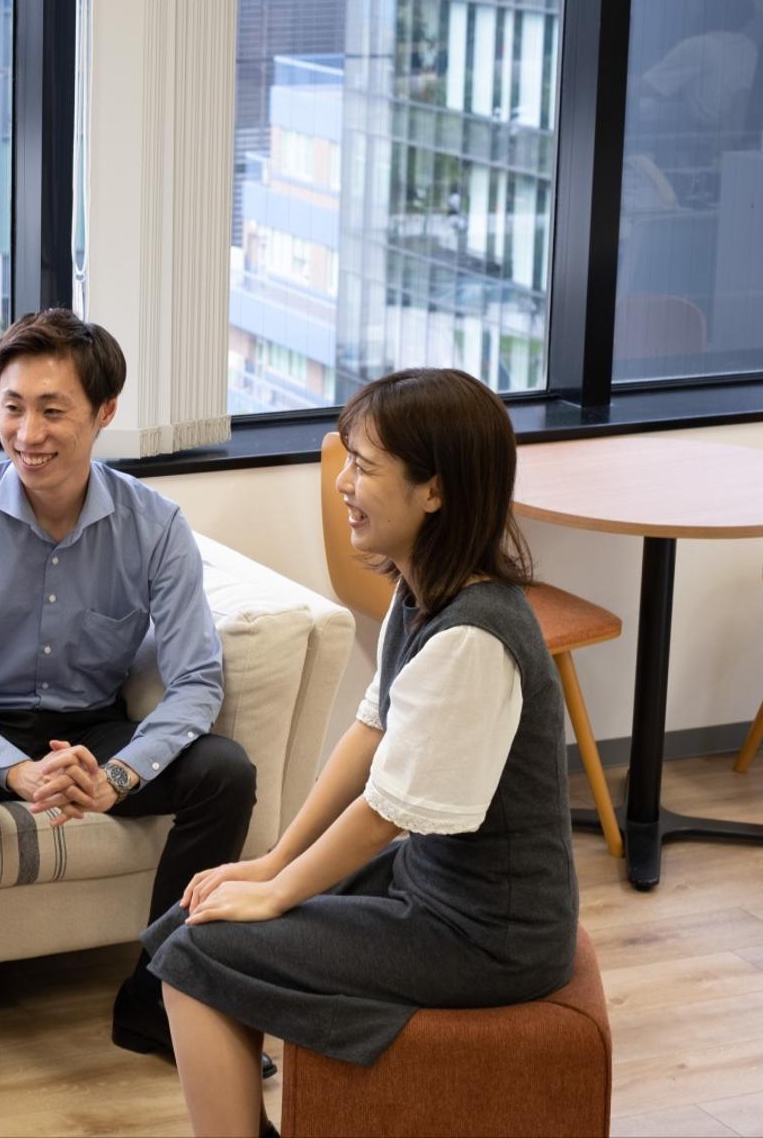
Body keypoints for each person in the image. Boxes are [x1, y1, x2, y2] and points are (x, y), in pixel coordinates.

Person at [145, 368, 579, 1138]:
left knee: (196, 958)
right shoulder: (421, 595)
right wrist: (272, 862)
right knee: (188, 920)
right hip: (433, 888)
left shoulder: (474, 637)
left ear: (434, 492)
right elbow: (370, 734)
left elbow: (384, 813)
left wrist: (278, 893)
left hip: (488, 936)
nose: (343, 483)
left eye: (365, 467)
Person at [0, 309, 259, 1122]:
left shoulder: (155, 525)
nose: (28, 434)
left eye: (53, 410)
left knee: (225, 773)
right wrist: (14, 768)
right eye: (12, 407)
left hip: (96, 727)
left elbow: (197, 679)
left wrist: (119, 775)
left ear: (104, 412)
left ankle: (156, 991)